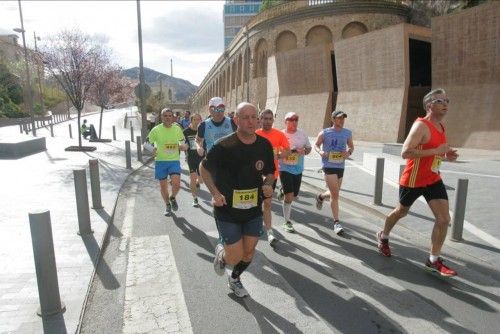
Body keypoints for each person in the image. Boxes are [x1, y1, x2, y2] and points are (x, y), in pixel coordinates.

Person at [376, 88, 459, 277]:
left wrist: (446, 155)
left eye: (447, 100)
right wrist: (436, 150)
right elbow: (405, 152)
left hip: (433, 178)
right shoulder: (421, 125)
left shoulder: (441, 127)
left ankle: (433, 260)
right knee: (401, 212)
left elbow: (434, 152)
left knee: (444, 219)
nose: (445, 104)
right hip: (413, 179)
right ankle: (384, 236)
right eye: (440, 101)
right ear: (429, 105)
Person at [200, 102, 275, 298]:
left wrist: (268, 184)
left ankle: (234, 278)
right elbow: (204, 169)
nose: (250, 121)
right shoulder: (224, 145)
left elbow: (270, 173)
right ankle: (222, 253)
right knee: (234, 256)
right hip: (227, 210)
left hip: (252, 210)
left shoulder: (264, 145)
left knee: (248, 253)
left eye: (253, 117)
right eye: (245, 117)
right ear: (236, 120)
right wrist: (215, 193)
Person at [314, 110, 353, 235]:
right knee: (335, 195)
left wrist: (348, 152)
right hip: (328, 165)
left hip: (340, 166)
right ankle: (337, 223)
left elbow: (351, 146)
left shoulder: (347, 133)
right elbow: (316, 145)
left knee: (333, 193)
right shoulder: (325, 132)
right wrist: (320, 152)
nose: (341, 120)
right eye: (339, 118)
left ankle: (320, 197)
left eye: (343, 118)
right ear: (333, 119)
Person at [255, 109, 290, 246]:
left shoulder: (279, 134)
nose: (267, 121)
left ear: (273, 120)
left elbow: (287, 149)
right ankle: (256, 225)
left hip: (272, 174)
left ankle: (269, 231)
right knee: (256, 203)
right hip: (255, 174)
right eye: (265, 118)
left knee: (267, 203)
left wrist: (279, 156)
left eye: (270, 119)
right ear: (260, 119)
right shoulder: (256, 134)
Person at [147, 108, 189, 216]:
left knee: (177, 184)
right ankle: (167, 205)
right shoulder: (156, 130)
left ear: (173, 117)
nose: (168, 118)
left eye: (170, 116)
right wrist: (153, 149)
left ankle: (172, 197)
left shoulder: (177, 129)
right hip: (160, 161)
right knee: (163, 186)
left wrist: (183, 146)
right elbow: (146, 143)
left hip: (174, 160)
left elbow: (182, 141)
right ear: (161, 117)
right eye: (165, 116)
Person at [277, 112, 312, 233]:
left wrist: (305, 151)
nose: (294, 122)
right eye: (291, 120)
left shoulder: (302, 134)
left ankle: (282, 190)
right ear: (285, 121)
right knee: (290, 196)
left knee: (295, 195)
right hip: (284, 167)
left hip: (298, 168)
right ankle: (287, 221)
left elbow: (309, 148)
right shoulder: (281, 134)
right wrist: (292, 151)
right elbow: (277, 151)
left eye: (296, 119)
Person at [183, 113, 204, 207]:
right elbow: (183, 144)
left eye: (198, 119)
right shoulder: (186, 132)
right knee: (192, 176)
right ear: (191, 120)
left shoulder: (203, 131)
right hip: (191, 157)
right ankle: (195, 199)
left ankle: (197, 182)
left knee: (201, 180)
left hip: (202, 158)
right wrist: (184, 149)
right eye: (194, 119)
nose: (196, 121)